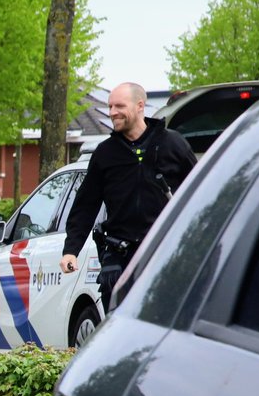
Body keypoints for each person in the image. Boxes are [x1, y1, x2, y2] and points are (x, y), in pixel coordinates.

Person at [60, 81, 196, 311]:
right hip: (120, 256)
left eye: (119, 106)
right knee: (117, 325)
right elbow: (86, 205)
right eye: (110, 106)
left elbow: (200, 193)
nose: (112, 112)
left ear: (140, 106)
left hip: (165, 252)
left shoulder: (173, 144)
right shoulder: (105, 153)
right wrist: (71, 250)